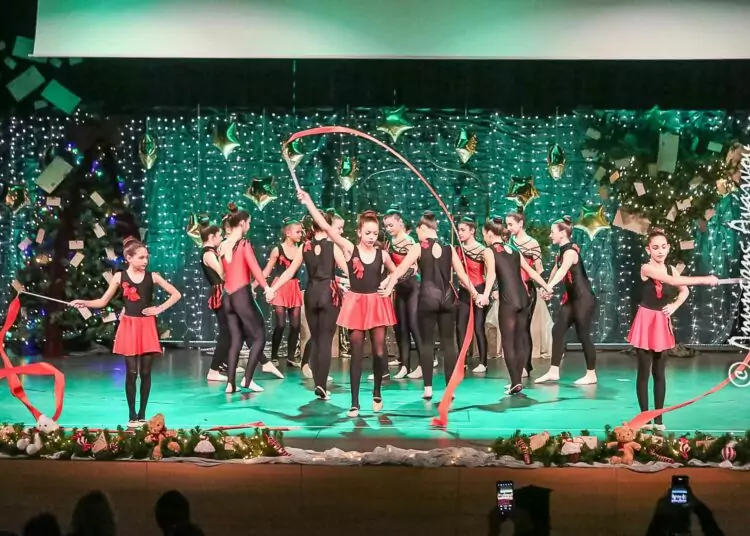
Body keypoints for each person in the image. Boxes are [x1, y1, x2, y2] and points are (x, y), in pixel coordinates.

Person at [294, 190, 397, 417]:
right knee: (356, 353)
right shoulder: (350, 248)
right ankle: (355, 403)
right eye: (367, 233)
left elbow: (396, 271)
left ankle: (377, 391)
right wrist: (309, 202)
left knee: (379, 352)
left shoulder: (382, 253)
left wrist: (389, 285)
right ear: (359, 232)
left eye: (375, 233)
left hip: (376, 303)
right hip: (356, 304)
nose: (371, 237)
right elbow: (327, 226)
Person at [71, 237, 181, 426]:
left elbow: (176, 294)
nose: (145, 261)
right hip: (129, 326)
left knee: (145, 373)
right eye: (141, 257)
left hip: (147, 327)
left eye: (146, 257)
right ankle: (132, 415)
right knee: (131, 372)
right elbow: (102, 301)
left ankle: (142, 414)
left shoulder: (152, 277)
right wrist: (84, 302)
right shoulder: (119, 277)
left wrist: (159, 308)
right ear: (129, 258)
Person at [381, 211, 480, 400]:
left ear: (423, 228)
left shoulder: (418, 247)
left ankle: (428, 389)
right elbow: (462, 275)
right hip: (448, 298)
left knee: (427, 343)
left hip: (427, 298)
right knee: (449, 344)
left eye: (418, 231)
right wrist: (476, 294)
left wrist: (389, 286)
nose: (417, 234)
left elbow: (400, 270)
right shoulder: (449, 248)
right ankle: (450, 390)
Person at [627, 228, 718, 430]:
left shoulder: (671, 269)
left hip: (661, 322)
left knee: (660, 373)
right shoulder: (646, 268)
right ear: (648, 250)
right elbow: (675, 282)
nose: (660, 251)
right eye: (655, 247)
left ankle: (658, 420)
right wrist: (705, 279)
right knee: (644, 374)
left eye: (663, 247)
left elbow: (683, 290)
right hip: (645, 321)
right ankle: (644, 419)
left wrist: (675, 306)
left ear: (668, 248)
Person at [267, 210, 348, 399]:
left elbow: (289, 272)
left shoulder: (305, 246)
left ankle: (318, 383)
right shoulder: (332, 246)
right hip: (328, 294)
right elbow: (348, 270)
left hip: (311, 294)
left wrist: (273, 289)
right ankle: (321, 384)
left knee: (317, 339)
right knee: (325, 341)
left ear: (311, 226)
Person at [482, 217, 550, 394]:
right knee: (520, 340)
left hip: (509, 300)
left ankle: (515, 382)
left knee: (508, 342)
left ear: (490, 233)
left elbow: (491, 276)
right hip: (524, 298)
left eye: (484, 234)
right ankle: (517, 380)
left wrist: (485, 295)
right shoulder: (513, 249)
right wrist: (546, 286)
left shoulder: (489, 251)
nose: (484, 238)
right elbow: (531, 272)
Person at [535, 217, 597, 385]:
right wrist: (546, 287)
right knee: (557, 330)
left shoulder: (570, 253)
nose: (550, 235)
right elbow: (555, 271)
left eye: (552, 232)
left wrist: (549, 287)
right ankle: (553, 371)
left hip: (584, 299)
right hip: (571, 300)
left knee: (583, 335)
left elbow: (562, 271)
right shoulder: (561, 252)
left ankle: (591, 374)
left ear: (562, 233)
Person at [218, 203, 272, 393]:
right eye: (248, 222)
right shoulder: (243, 243)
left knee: (236, 339)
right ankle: (247, 380)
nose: (249, 225)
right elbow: (254, 267)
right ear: (241, 223)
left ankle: (230, 383)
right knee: (259, 336)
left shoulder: (223, 245)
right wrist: (266, 287)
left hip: (227, 296)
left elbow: (223, 273)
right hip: (241, 294)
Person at [506, 211, 551, 375]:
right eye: (507, 225)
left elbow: (539, 269)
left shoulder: (532, 243)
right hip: (511, 289)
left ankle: (525, 365)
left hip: (526, 288)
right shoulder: (508, 242)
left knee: (523, 327)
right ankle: (518, 364)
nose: (508, 228)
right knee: (513, 329)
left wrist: (543, 287)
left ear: (520, 223)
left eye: (511, 224)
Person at [383, 207, 425, 379]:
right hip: (399, 288)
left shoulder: (409, 242)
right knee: (400, 327)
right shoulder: (390, 242)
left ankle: (423, 364)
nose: (388, 229)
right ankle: (404, 365)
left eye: (391, 225)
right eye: (386, 226)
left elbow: (412, 269)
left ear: (400, 222)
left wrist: (392, 279)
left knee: (414, 325)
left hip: (413, 286)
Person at [261, 217, 304, 368]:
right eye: (298, 232)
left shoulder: (301, 249)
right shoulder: (277, 250)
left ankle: (291, 357)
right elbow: (267, 270)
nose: (300, 234)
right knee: (280, 324)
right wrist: (255, 285)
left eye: (301, 232)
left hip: (293, 287)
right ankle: (274, 355)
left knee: (295, 325)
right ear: (288, 233)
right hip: (280, 287)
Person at [455, 215, 496, 374]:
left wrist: (486, 293)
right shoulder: (458, 249)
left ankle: (483, 362)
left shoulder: (483, 250)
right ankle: (462, 361)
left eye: (463, 230)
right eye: (458, 230)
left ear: (472, 231)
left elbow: (490, 273)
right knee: (460, 327)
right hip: (464, 291)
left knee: (478, 327)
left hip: (479, 289)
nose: (460, 233)